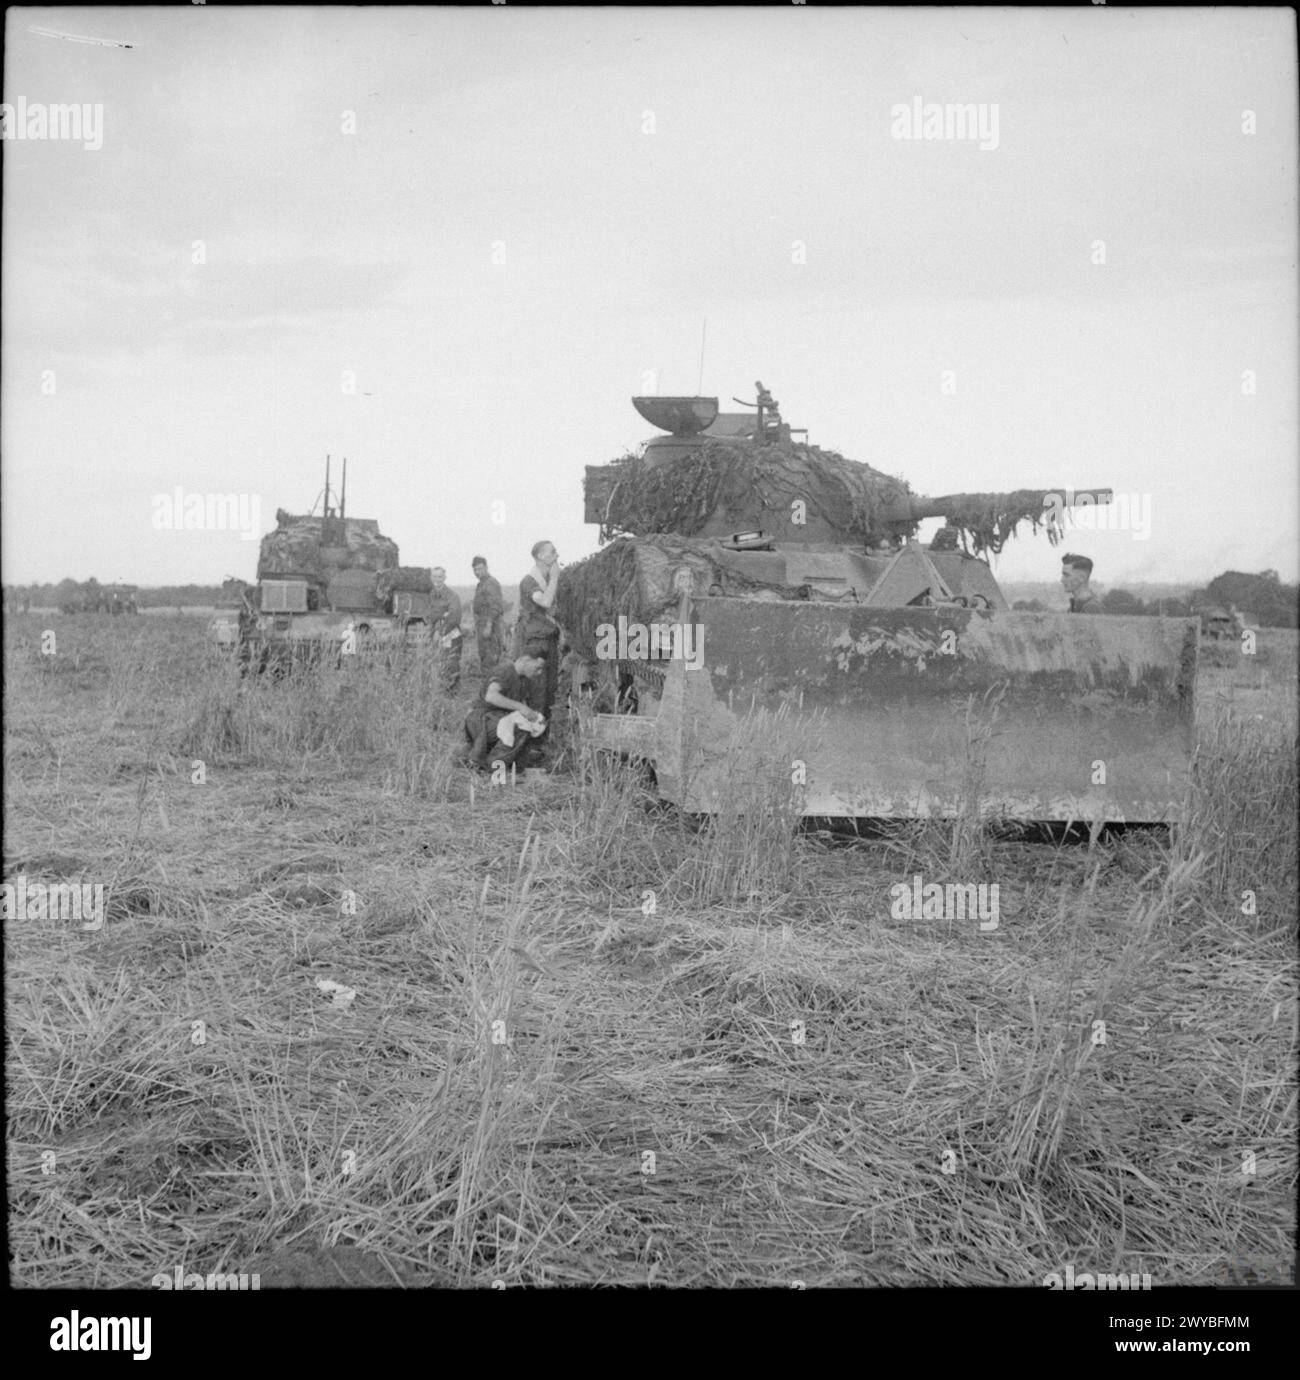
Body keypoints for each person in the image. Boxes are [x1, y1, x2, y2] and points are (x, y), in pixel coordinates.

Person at [461, 651, 547, 773]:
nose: (539, 673)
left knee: (528, 727)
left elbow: (519, 707)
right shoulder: (505, 670)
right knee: (518, 727)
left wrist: (534, 718)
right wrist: (521, 707)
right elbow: (491, 696)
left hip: (496, 720)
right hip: (480, 720)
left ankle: (510, 767)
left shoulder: (524, 680)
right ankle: (491, 767)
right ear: (526, 660)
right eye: (538, 668)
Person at [515, 540, 562, 724]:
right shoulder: (529, 581)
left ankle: (543, 733)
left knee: (550, 687)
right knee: (536, 689)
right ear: (541, 556)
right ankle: (531, 737)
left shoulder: (548, 580)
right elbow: (545, 602)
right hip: (534, 643)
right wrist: (556, 578)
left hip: (549, 640)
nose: (556, 555)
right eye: (552, 551)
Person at [427, 567, 464, 690]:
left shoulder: (452, 596)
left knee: (451, 664)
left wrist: (440, 632)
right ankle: (442, 690)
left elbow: (454, 618)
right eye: (435, 577)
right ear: (431, 578)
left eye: (440, 577)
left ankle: (453, 693)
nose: (437, 579)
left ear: (444, 578)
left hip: (451, 635)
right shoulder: (431, 595)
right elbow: (430, 616)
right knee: (438, 663)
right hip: (437, 635)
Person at [471, 556, 504, 672]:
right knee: (484, 655)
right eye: (475, 569)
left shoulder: (491, 583)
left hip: (490, 625)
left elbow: (496, 607)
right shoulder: (481, 584)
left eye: (480, 568)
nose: (477, 572)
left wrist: (489, 626)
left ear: (486, 567)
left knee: (491, 657)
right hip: (482, 623)